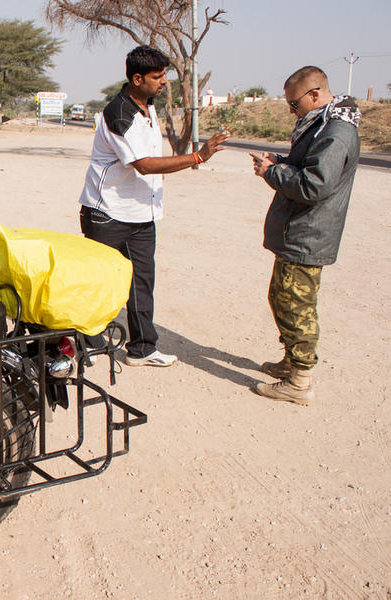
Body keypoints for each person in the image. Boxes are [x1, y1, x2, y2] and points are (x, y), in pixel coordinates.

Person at [79, 45, 230, 367]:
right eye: (157, 76)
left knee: (142, 282)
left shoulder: (148, 105)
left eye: (164, 75)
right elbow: (144, 165)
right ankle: (86, 345)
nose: (163, 82)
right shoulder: (119, 114)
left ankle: (143, 349)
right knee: (98, 281)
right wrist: (198, 157)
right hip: (106, 213)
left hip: (141, 214)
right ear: (136, 78)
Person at [249, 66, 360, 405]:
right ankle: (291, 362)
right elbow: (307, 166)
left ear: (315, 94)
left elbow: (314, 184)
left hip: (308, 234)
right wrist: (280, 162)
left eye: (294, 104)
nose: (291, 111)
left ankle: (300, 381)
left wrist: (272, 172)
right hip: (298, 231)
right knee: (281, 297)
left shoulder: (336, 132)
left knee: (296, 306)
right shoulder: (321, 124)